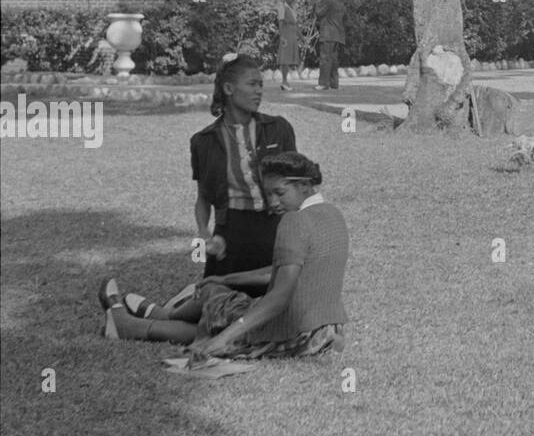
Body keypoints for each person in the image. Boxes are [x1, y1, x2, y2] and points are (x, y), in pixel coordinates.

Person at [99, 152, 348, 362]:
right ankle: (149, 319)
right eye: (269, 194)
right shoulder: (332, 214)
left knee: (214, 297)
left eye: (279, 192)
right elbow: (281, 273)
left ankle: (148, 320)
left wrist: (222, 340)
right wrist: (227, 277)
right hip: (323, 333)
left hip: (290, 333)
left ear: (304, 185)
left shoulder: (294, 221)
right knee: (219, 292)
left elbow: (279, 298)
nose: (272, 202)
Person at [189, 55, 297, 285]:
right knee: (219, 300)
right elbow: (203, 197)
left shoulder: (278, 129)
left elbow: (297, 184)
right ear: (229, 88)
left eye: (261, 84)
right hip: (231, 234)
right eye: (252, 84)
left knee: (275, 301)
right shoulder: (204, 141)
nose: (259, 91)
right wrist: (203, 232)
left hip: (275, 228)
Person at [315, 0, 346, 91]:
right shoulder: (340, 4)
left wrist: (318, 3)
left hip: (327, 35)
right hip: (337, 36)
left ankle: (323, 84)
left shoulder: (330, 2)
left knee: (325, 59)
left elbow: (319, 13)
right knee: (333, 60)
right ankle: (334, 83)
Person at [275, 0, 301, 90]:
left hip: (292, 36)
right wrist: (282, 37)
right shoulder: (282, 7)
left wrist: (302, 38)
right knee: (285, 59)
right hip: (286, 36)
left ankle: (285, 82)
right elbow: (280, 23)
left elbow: (295, 25)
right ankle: (284, 82)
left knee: (289, 59)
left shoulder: (292, 9)